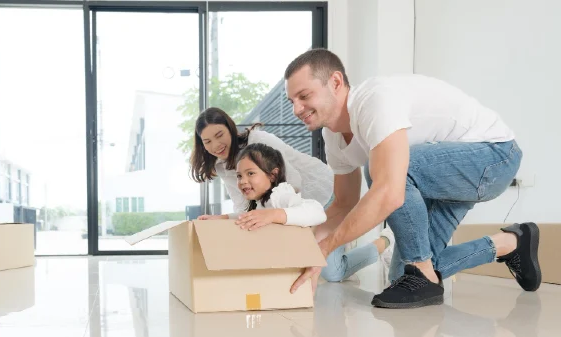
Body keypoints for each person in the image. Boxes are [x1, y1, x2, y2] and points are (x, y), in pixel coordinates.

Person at [285, 48, 541, 308]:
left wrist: (326, 247)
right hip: (439, 177)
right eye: (291, 101)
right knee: (403, 277)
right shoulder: (333, 137)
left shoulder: (373, 100)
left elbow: (390, 191)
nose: (296, 108)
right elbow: (342, 203)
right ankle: (511, 243)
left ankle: (422, 272)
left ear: (336, 82)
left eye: (304, 96)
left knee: (385, 171)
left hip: (493, 156)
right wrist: (304, 246)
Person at [191, 106, 395, 283]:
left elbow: (293, 183)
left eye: (219, 135)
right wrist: (226, 219)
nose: (215, 145)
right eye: (207, 141)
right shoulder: (221, 166)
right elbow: (244, 205)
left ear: (230, 128)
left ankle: (385, 241)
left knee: (333, 272)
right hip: (291, 208)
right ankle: (338, 244)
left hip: (321, 194)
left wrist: (274, 215)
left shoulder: (258, 143)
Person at [232, 143, 326, 230]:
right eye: (239, 176)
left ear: (273, 175)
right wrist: (224, 218)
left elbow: (318, 212)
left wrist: (272, 215)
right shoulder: (260, 202)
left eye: (250, 173)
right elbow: (247, 216)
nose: (242, 181)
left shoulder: (279, 196)